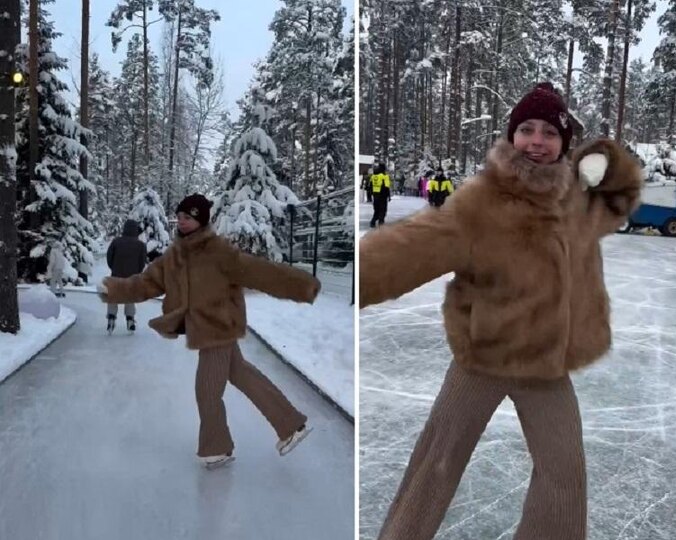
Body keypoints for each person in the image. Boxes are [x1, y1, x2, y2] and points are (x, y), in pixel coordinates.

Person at [359, 82, 642, 540]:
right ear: (511, 137)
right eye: (526, 129)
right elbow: (417, 245)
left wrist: (604, 158)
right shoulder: (482, 200)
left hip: (547, 368)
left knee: (565, 476)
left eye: (549, 132)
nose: (536, 140)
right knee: (437, 464)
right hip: (482, 360)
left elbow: (621, 197)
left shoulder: (577, 201)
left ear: (563, 143)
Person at [97, 194, 321, 470]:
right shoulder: (175, 255)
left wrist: (302, 285)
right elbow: (147, 282)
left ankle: (216, 449)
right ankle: (291, 425)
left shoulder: (218, 251)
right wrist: (115, 289)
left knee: (206, 390)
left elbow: (259, 271)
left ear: (201, 220)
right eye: (179, 216)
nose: (182, 222)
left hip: (219, 327)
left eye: (188, 217)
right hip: (205, 330)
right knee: (242, 374)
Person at [105, 219, 148, 334]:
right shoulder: (140, 245)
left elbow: (109, 257)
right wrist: (137, 272)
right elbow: (142, 262)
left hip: (116, 275)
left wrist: (114, 267)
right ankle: (130, 320)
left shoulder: (116, 242)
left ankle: (111, 318)